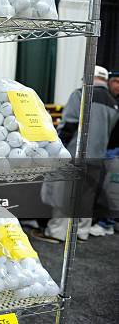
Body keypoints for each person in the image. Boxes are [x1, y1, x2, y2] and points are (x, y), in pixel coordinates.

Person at [38, 65, 119, 241]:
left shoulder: (80, 94)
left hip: (74, 154)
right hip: (97, 157)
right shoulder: (114, 103)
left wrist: (57, 148)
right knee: (86, 196)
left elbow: (69, 124)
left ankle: (58, 233)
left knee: (64, 195)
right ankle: (81, 232)